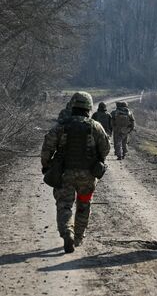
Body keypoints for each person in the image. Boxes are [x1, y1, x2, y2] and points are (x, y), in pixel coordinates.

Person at [41, 92, 110, 253]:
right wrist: (98, 159)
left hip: (64, 174)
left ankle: (67, 232)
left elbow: (47, 146)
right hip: (87, 176)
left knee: (64, 205)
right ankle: (78, 237)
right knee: (84, 204)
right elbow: (105, 148)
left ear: (73, 106)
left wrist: (46, 165)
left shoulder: (62, 126)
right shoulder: (95, 126)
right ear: (88, 107)